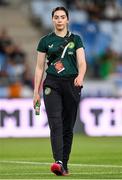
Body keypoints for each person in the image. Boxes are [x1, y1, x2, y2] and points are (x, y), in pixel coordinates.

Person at [33, 6, 87, 176]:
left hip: (72, 84)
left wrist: (81, 76)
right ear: (52, 20)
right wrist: (36, 92)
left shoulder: (76, 39)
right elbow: (39, 67)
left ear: (67, 20)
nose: (59, 20)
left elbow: (82, 62)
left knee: (67, 127)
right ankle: (58, 162)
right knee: (55, 123)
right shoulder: (45, 41)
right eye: (56, 17)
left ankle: (64, 163)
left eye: (62, 17)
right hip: (52, 84)